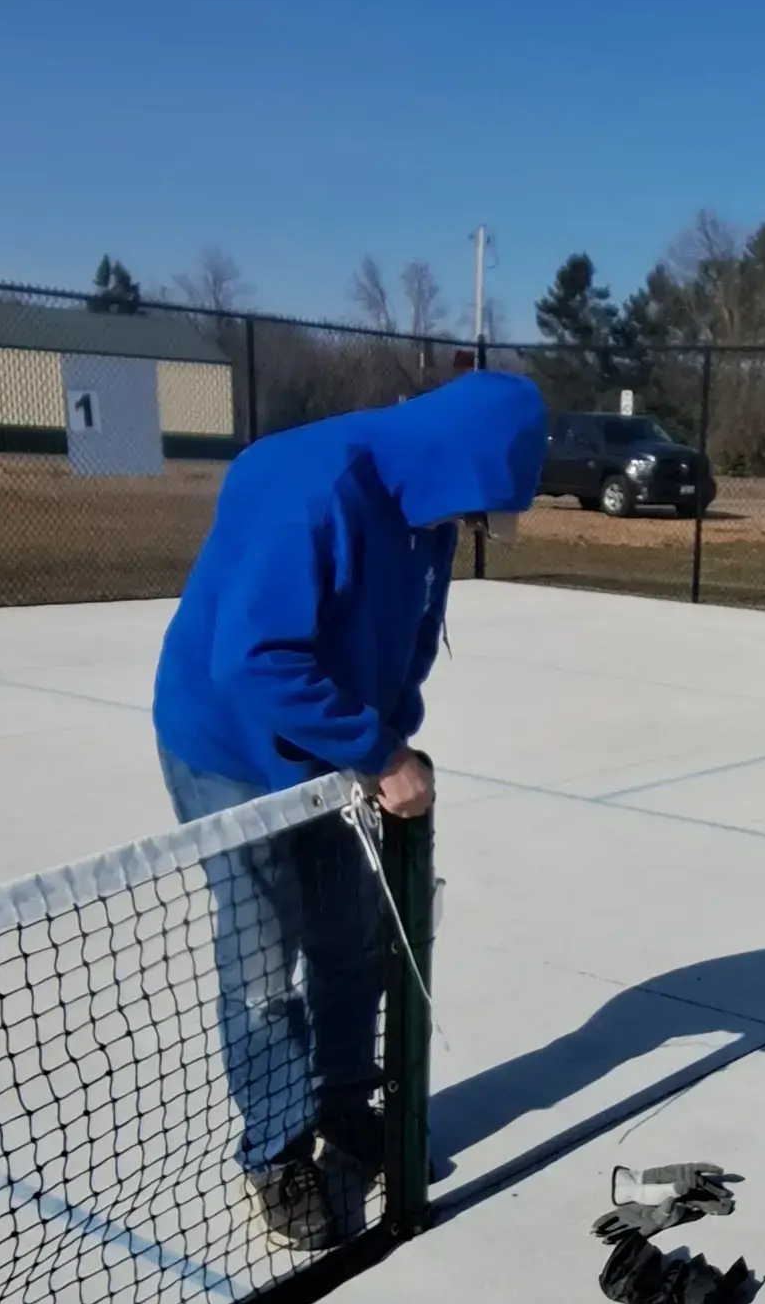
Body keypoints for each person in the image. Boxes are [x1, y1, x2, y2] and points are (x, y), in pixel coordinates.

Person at [154, 372, 545, 1240]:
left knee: (350, 940)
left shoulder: (430, 510)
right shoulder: (314, 488)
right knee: (262, 962)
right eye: (477, 510)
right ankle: (279, 1149)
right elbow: (253, 660)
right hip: (227, 748)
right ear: (456, 467)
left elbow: (408, 639)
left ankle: (343, 1105)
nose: (471, 531)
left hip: (333, 753)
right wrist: (379, 752)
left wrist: (384, 740)